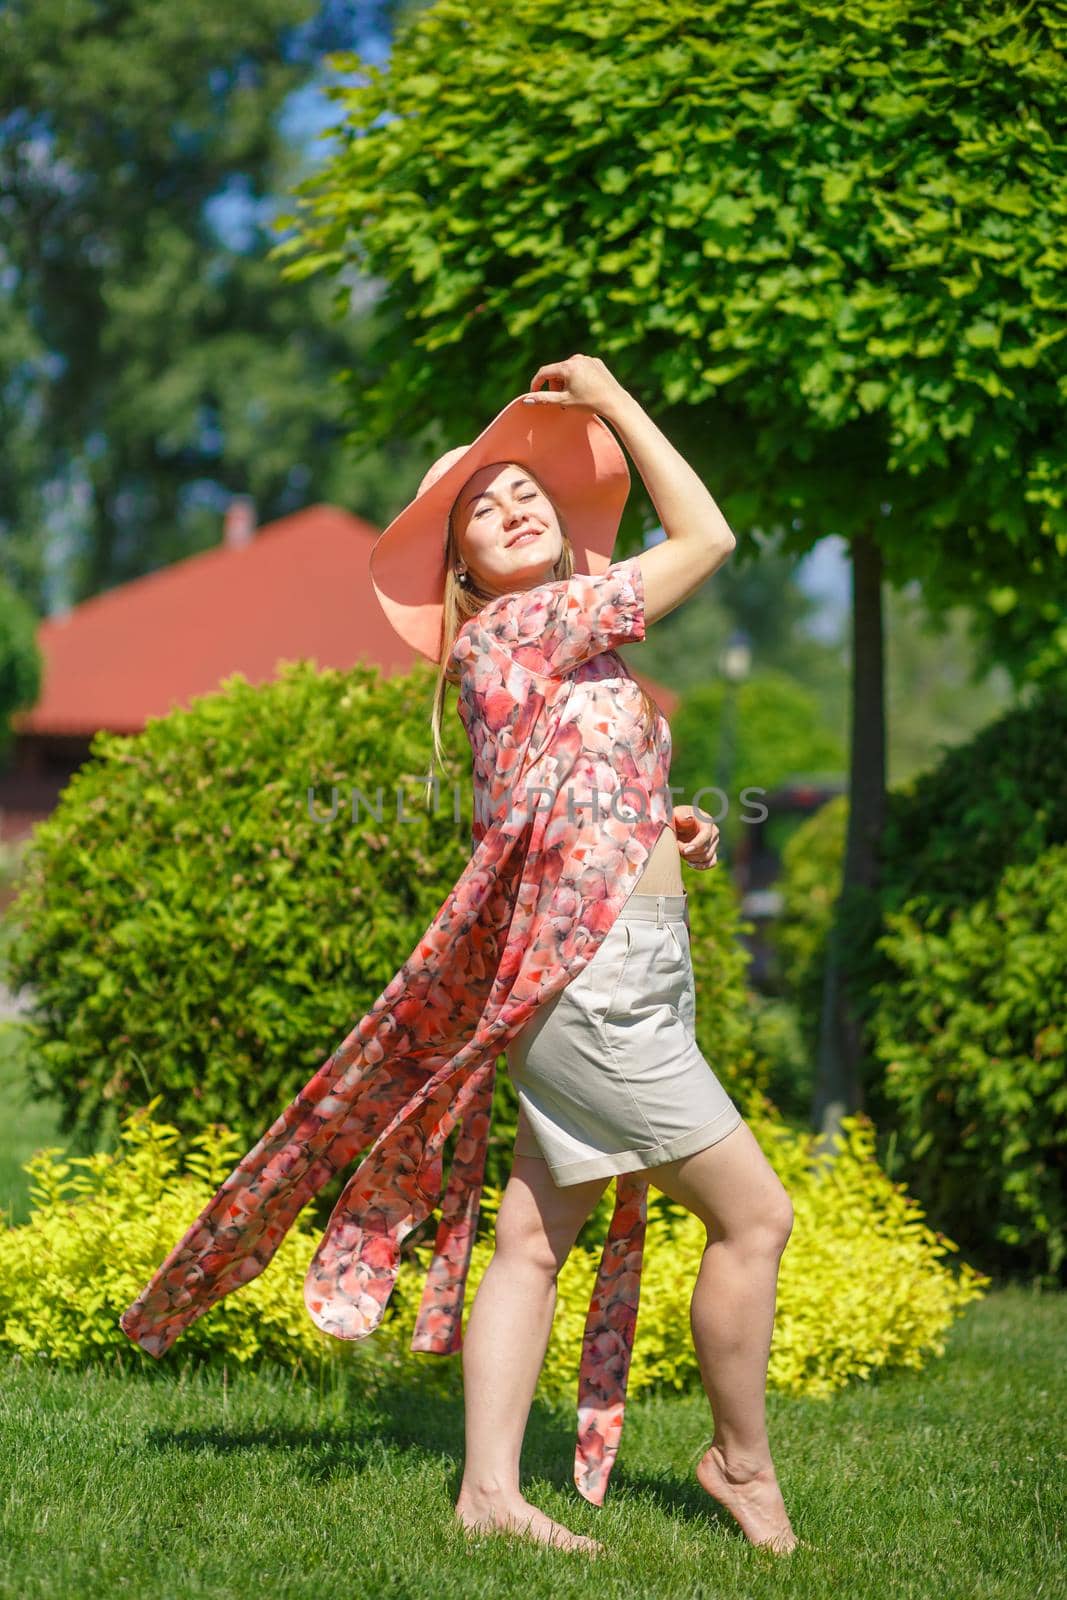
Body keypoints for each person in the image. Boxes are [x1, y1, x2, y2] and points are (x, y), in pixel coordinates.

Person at [120, 355, 796, 1560]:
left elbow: (569, 797)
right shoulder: (521, 630)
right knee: (756, 1216)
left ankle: (488, 1490)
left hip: (617, 963)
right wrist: (607, 393)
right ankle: (736, 1459)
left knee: (535, 1234)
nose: (513, 508)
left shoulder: (568, 654)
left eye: (526, 489)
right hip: (591, 986)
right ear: (462, 571)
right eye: (480, 511)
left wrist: (668, 820)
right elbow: (707, 533)